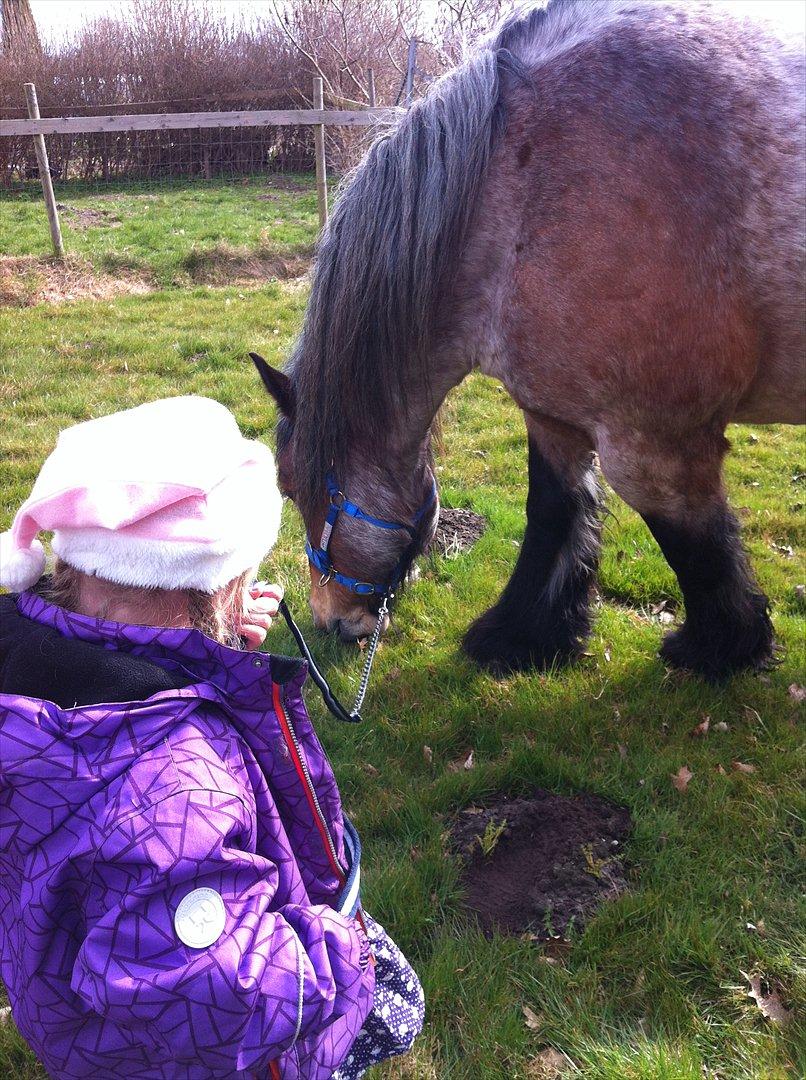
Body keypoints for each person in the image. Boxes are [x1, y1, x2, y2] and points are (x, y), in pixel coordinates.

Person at [0, 396, 423, 1080]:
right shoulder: (164, 784)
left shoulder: (28, 658)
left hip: (72, 1008)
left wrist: (212, 647)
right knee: (402, 1001)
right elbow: (221, 994)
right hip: (187, 1058)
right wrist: (344, 947)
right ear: (219, 581)